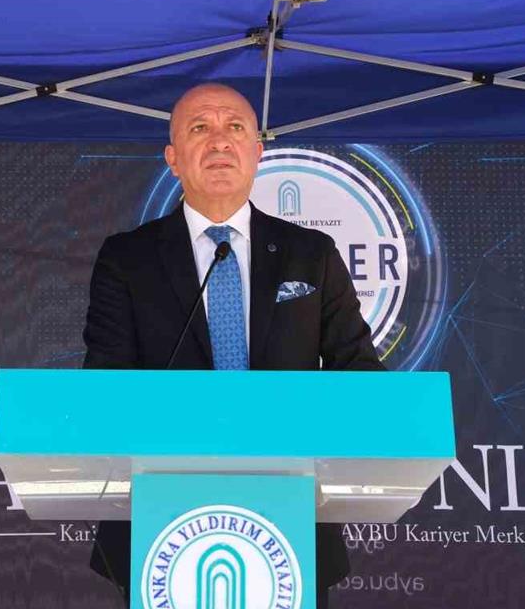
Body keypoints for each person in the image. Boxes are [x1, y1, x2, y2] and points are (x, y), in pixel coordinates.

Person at [82, 83, 384, 607]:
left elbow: (359, 373)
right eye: (200, 128)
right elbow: (106, 385)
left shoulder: (311, 254)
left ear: (257, 152)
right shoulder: (126, 259)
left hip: (292, 515)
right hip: (161, 519)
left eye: (235, 127)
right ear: (173, 159)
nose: (219, 140)